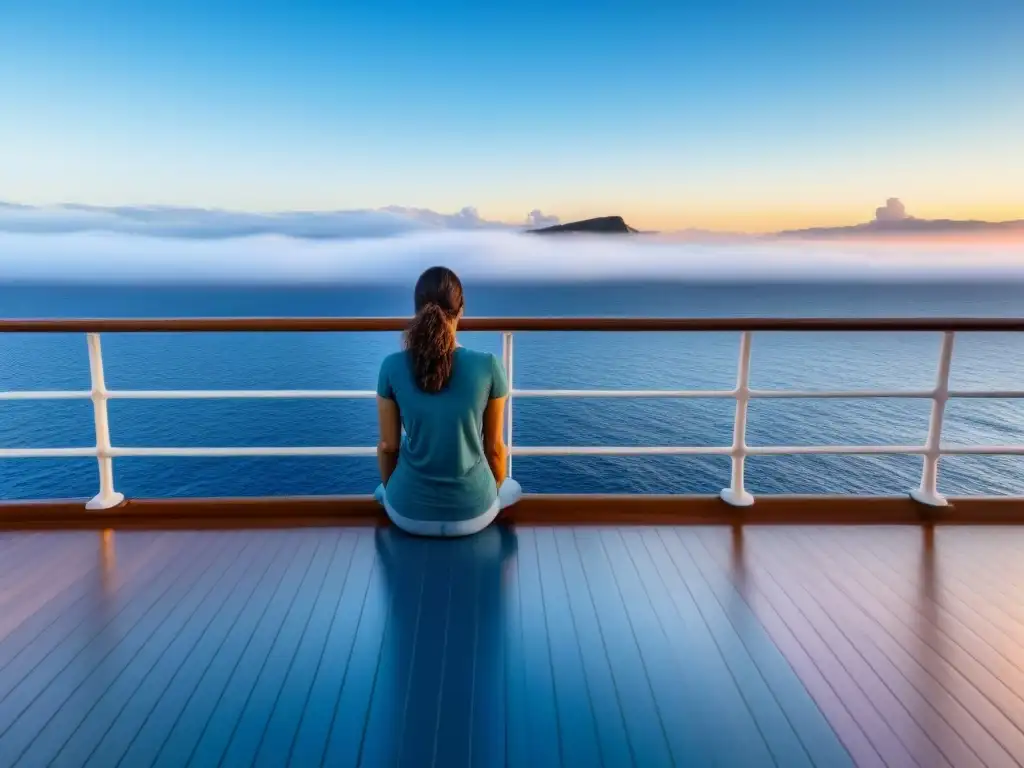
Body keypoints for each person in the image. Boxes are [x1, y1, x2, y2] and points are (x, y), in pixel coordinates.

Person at [374, 266, 522, 536]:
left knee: (379, 492)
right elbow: (496, 450)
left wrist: (391, 491)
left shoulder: (391, 366)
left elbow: (388, 447)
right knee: (513, 488)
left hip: (407, 514)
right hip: (474, 514)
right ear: (461, 309)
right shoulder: (488, 365)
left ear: (416, 311)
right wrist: (492, 490)